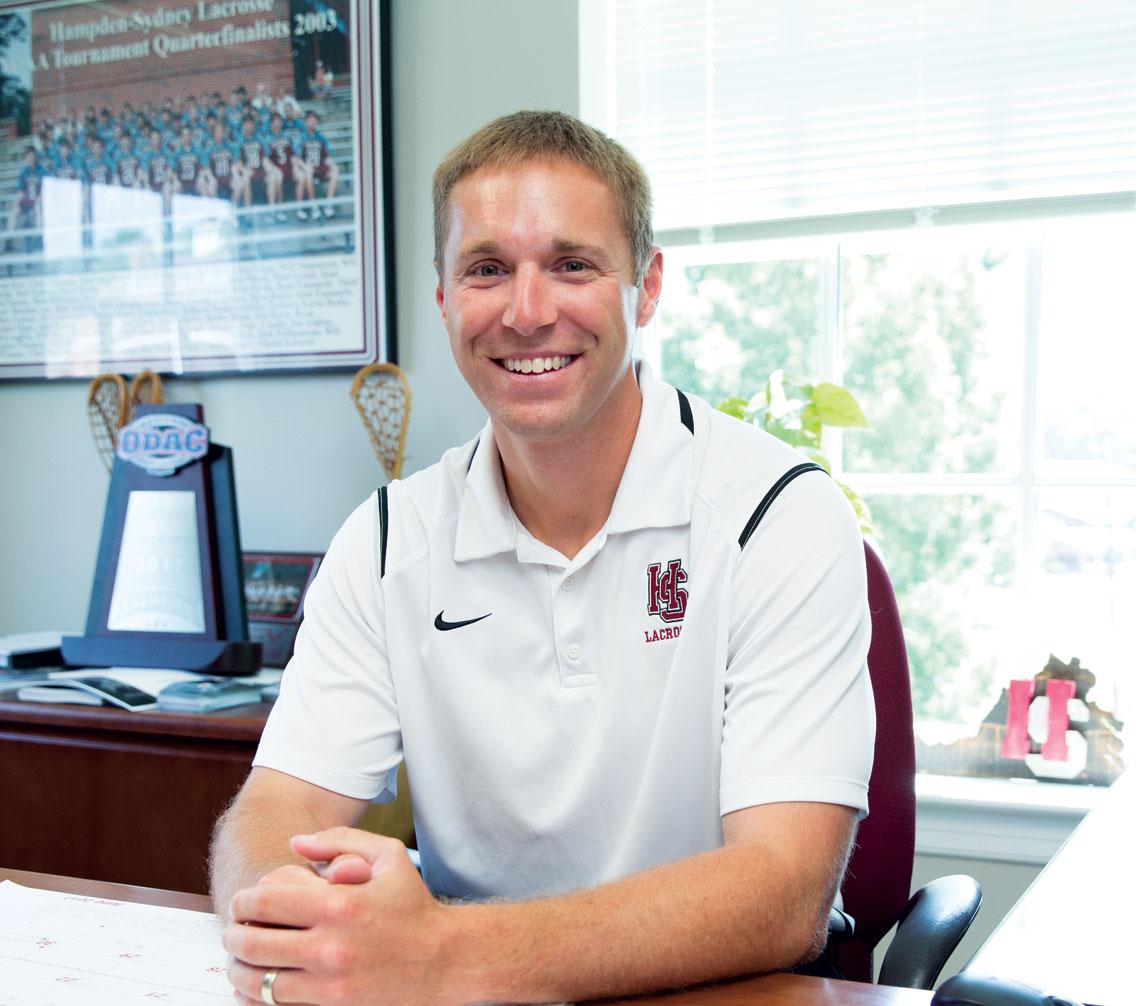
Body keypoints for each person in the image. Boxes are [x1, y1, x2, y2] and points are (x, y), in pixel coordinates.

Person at [212, 110, 874, 1006]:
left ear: (645, 287)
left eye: (572, 264)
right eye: (487, 270)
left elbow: (786, 890)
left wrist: (444, 954)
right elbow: (275, 810)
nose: (527, 313)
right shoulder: (383, 541)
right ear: (445, 299)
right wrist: (284, 920)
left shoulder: (776, 514)